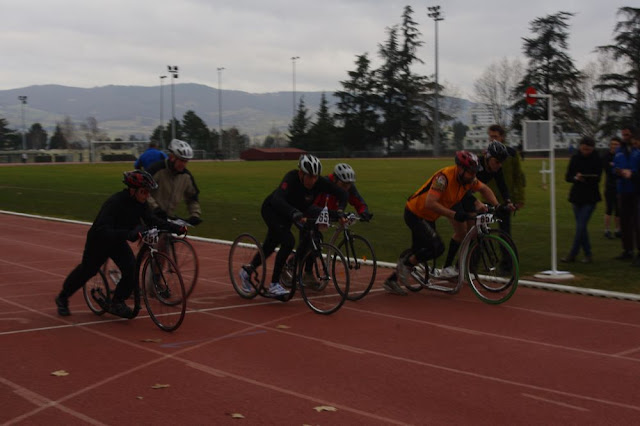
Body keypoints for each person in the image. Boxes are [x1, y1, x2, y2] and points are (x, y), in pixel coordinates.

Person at [54, 170, 186, 317]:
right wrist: (129, 234)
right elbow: (103, 229)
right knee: (87, 271)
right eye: (143, 191)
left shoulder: (140, 203)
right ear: (132, 190)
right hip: (99, 241)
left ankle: (117, 301)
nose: (146, 195)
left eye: (148, 192)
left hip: (117, 241)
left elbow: (152, 220)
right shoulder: (115, 202)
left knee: (131, 269)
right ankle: (62, 297)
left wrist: (175, 228)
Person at [383, 151, 500, 296]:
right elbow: (430, 203)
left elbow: (484, 189)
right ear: (460, 169)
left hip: (429, 218)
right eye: (470, 172)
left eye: (475, 173)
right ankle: (406, 265)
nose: (473, 176)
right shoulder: (443, 178)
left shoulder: (467, 180)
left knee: (419, 250)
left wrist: (498, 206)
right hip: (415, 213)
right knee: (437, 248)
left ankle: (392, 279)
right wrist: (455, 214)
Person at [239, 154, 348, 297]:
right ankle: (274, 284)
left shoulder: (318, 182)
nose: (313, 180)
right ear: (301, 173)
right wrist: (294, 213)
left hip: (294, 212)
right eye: (309, 176)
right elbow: (278, 199)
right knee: (287, 241)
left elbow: (342, 194)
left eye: (315, 176)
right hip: (273, 210)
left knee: (272, 245)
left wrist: (340, 212)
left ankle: (247, 271)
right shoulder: (291, 178)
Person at [441, 141, 515, 278]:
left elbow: (501, 185)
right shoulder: (475, 166)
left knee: (473, 233)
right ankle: (446, 267)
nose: (499, 165)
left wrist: (506, 203)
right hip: (454, 195)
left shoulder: (496, 169)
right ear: (487, 158)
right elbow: (465, 188)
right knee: (461, 232)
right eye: (497, 161)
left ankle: (460, 266)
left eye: (501, 162)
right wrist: (477, 202)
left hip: (467, 196)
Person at [560, 136, 603, 264]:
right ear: (580, 147)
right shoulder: (575, 158)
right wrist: (576, 178)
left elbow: (598, 177)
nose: (585, 152)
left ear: (592, 149)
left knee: (580, 226)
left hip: (590, 198)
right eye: (584, 149)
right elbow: (568, 177)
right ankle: (588, 254)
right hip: (576, 197)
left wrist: (586, 178)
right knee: (581, 227)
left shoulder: (597, 159)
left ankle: (573, 254)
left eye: (588, 150)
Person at [486, 125, 525, 251]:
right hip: (487, 199)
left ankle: (507, 263)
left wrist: (519, 198)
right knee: (480, 231)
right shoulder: (486, 154)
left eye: (495, 136)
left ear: (502, 137)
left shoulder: (512, 154)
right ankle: (474, 260)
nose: (493, 139)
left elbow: (518, 176)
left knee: (505, 233)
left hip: (504, 199)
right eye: (491, 136)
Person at [146, 139, 202, 226]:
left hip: (167, 219)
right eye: (181, 160)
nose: (184, 164)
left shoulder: (186, 176)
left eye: (186, 161)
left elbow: (192, 197)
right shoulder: (157, 169)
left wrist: (195, 215)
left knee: (168, 238)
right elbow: (141, 190)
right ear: (172, 157)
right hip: (147, 217)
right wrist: (155, 208)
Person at [612, 125, 639, 261]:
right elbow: (614, 167)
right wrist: (619, 172)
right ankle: (627, 250)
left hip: (636, 190)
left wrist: (632, 174)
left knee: (637, 222)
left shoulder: (637, 151)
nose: (625, 138)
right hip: (623, 190)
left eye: (627, 135)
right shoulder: (619, 151)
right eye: (623, 135)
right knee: (625, 222)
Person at [602, 137, 621, 239]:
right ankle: (607, 230)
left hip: (620, 186)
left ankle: (618, 229)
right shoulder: (606, 156)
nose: (614, 146)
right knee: (609, 208)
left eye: (616, 144)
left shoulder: (621, 155)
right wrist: (616, 169)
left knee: (618, 209)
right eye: (612, 144)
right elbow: (609, 170)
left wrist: (615, 168)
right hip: (610, 186)